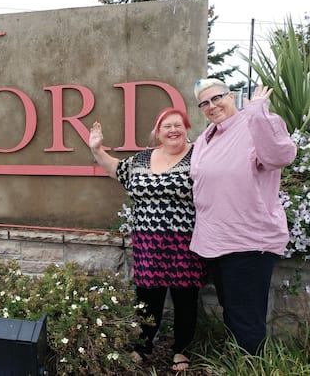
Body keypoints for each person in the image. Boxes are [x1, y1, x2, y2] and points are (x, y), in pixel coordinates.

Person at [89, 108, 205, 372]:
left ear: (186, 128)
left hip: (184, 241)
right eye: (167, 126)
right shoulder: (142, 159)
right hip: (147, 242)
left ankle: (181, 350)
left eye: (178, 125)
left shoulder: (199, 155)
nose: (173, 130)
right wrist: (97, 149)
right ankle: (143, 346)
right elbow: (117, 169)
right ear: (158, 132)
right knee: (147, 297)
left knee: (185, 297)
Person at [189, 78, 297, 355]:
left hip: (249, 241)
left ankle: (250, 364)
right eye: (205, 103)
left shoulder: (254, 124)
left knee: (246, 318)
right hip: (216, 240)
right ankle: (237, 361)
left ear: (231, 96)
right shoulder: (205, 138)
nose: (212, 106)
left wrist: (258, 113)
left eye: (217, 98)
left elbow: (280, 156)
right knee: (232, 310)